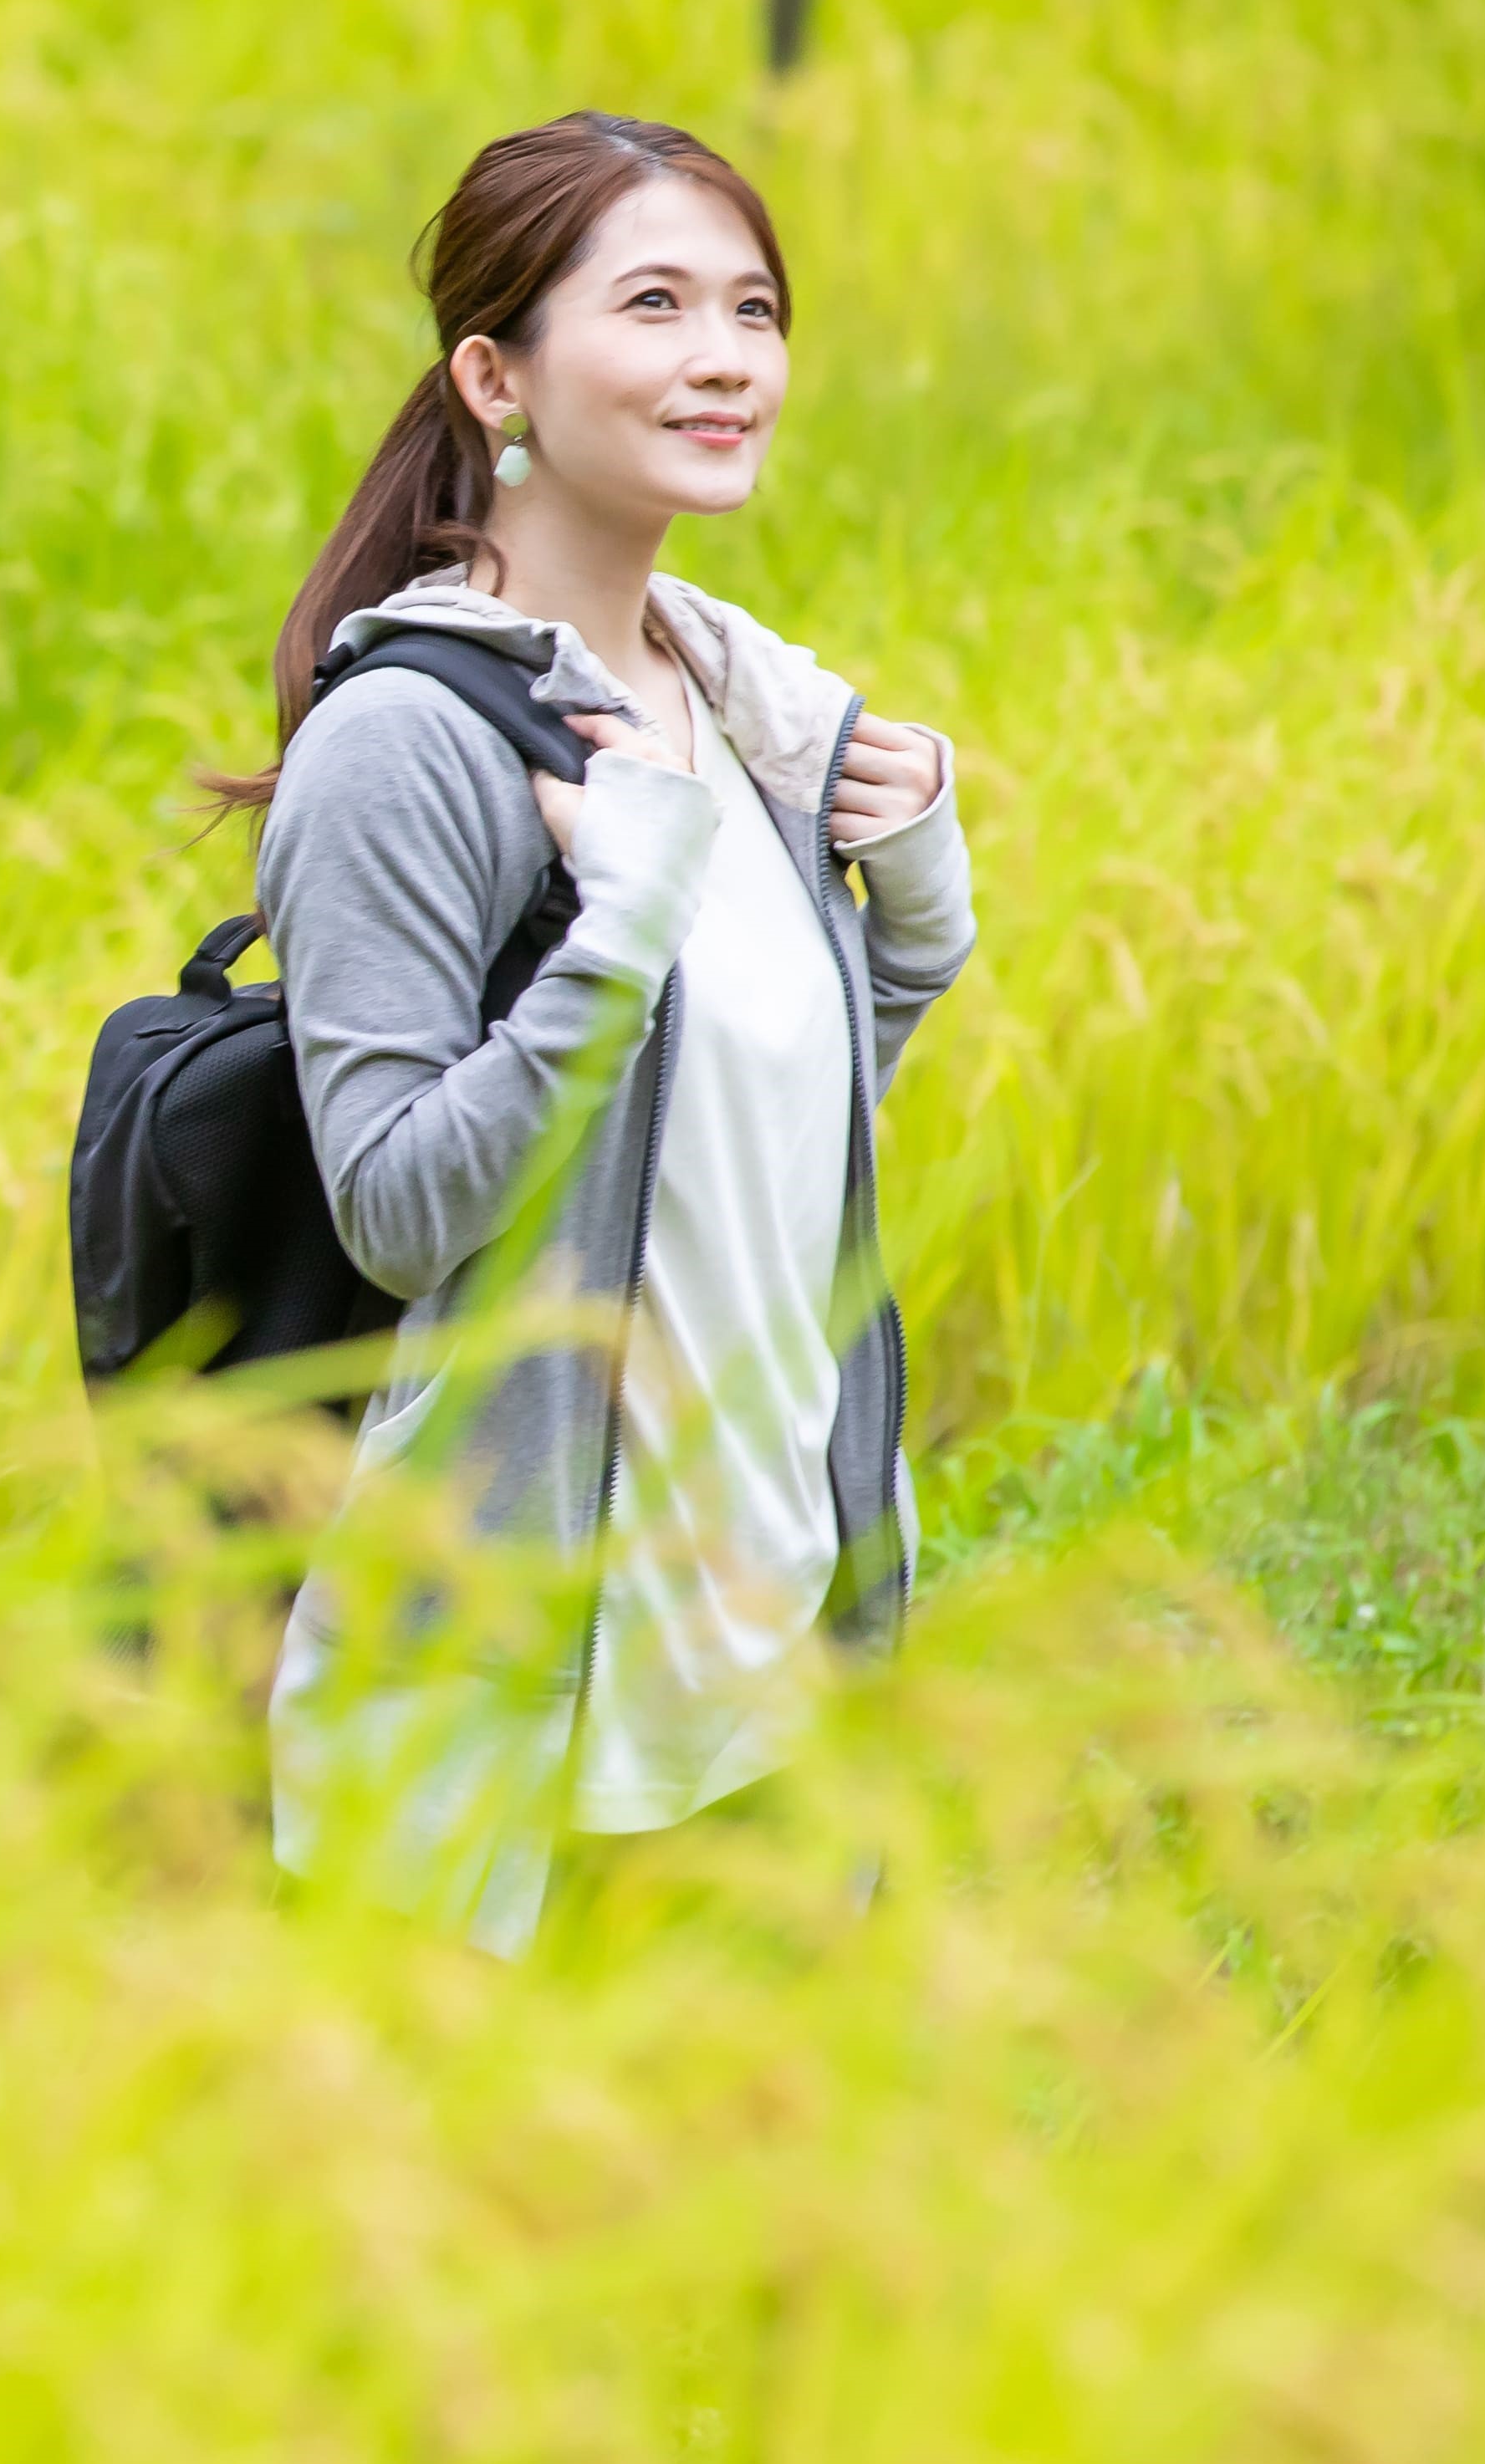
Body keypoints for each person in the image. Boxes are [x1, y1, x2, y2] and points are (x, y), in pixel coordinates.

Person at [214, 111, 976, 1955]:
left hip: (769, 1680)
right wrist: (621, 916)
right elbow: (402, 1207)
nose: (726, 359)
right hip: (520, 1723)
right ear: (497, 374)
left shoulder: (751, 711)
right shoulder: (409, 745)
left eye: (755, 309)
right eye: (654, 304)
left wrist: (912, 946)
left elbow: (734, 1158)